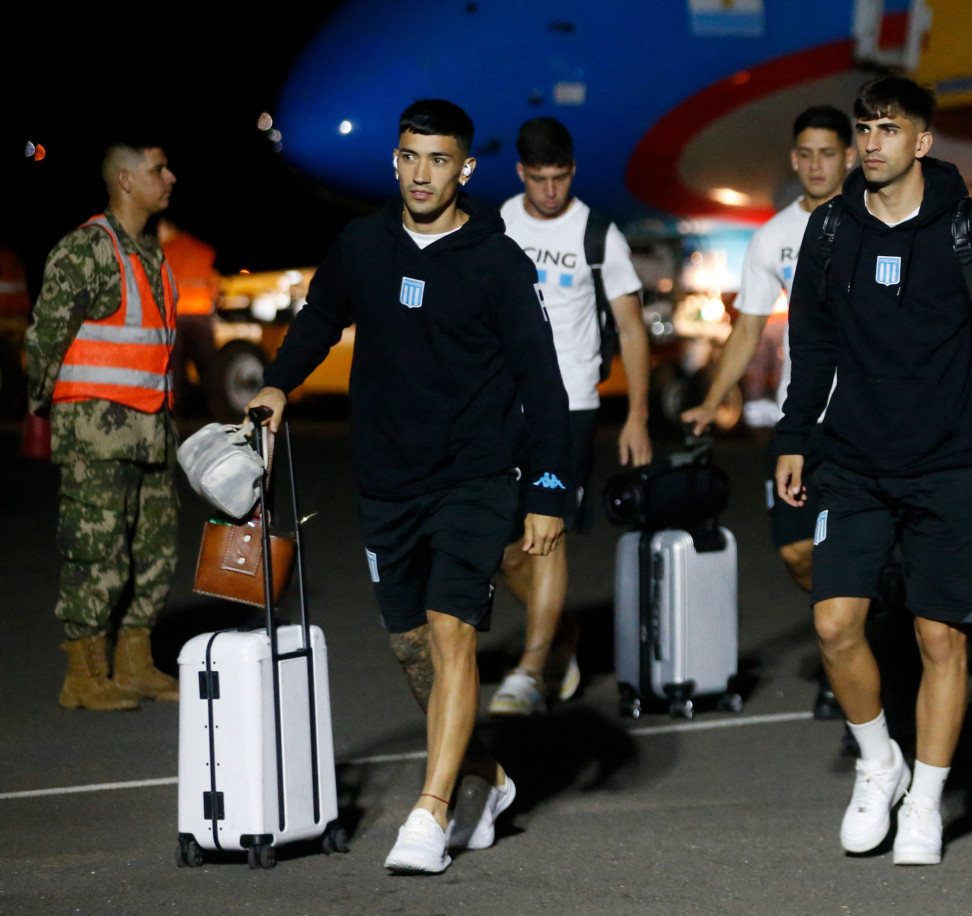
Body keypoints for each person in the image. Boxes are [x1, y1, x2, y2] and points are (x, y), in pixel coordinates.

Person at [246, 99, 571, 875]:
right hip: (387, 479)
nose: (421, 174)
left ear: (465, 169)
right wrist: (278, 387)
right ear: (395, 161)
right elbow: (321, 316)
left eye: (437, 160)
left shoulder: (497, 262)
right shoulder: (363, 243)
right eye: (409, 157)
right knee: (409, 645)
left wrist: (550, 491)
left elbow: (542, 383)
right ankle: (487, 780)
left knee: (451, 628)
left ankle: (430, 815)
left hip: (475, 478)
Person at [774, 76, 972, 866]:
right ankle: (879, 763)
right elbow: (812, 345)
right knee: (834, 624)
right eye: (864, 128)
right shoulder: (829, 231)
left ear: (923, 142)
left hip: (951, 464)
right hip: (854, 461)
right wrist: (796, 435)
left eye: (888, 130)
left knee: (940, 637)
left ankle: (926, 802)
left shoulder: (968, 228)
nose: (871, 143)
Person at [682, 105, 856, 718]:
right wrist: (711, 399)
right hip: (802, 421)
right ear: (793, 158)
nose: (814, 164)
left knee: (855, 550)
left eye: (827, 153)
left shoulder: (880, 220)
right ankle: (854, 636)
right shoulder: (774, 236)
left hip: (872, 421)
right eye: (804, 153)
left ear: (851, 156)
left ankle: (850, 663)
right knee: (797, 553)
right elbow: (750, 326)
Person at [490, 116, 652, 715]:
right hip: (506, 407)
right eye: (539, 179)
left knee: (546, 532)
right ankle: (558, 636)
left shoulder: (598, 234)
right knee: (505, 552)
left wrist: (635, 415)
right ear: (520, 174)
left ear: (573, 172)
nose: (550, 191)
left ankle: (531, 667)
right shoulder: (498, 224)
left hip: (573, 405)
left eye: (559, 178)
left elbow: (632, 329)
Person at [24, 138, 182, 711]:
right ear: (124, 179)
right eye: (158, 169)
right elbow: (44, 339)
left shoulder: (151, 253)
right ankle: (84, 675)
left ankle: (135, 663)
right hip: (96, 431)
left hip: (150, 429)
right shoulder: (86, 250)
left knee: (155, 549)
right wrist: (46, 410)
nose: (169, 178)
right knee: (96, 550)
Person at [157, 217, 230, 420]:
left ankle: (173, 417)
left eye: (160, 228)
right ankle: (221, 415)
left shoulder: (164, 251)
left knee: (175, 371)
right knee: (210, 369)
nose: (157, 233)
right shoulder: (202, 249)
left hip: (176, 316)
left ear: (171, 227)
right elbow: (213, 282)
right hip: (201, 316)